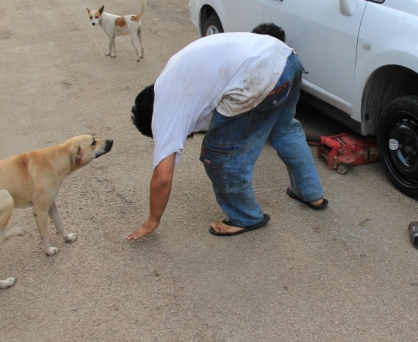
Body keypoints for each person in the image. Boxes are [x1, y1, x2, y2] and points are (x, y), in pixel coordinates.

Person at [126, 23, 327, 241]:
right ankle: (311, 194)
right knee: (285, 130)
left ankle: (245, 216)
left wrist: (152, 220)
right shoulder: (172, 78)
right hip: (286, 58)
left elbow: (162, 178)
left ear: (154, 123)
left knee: (219, 154)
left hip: (260, 76)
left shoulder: (166, 114)